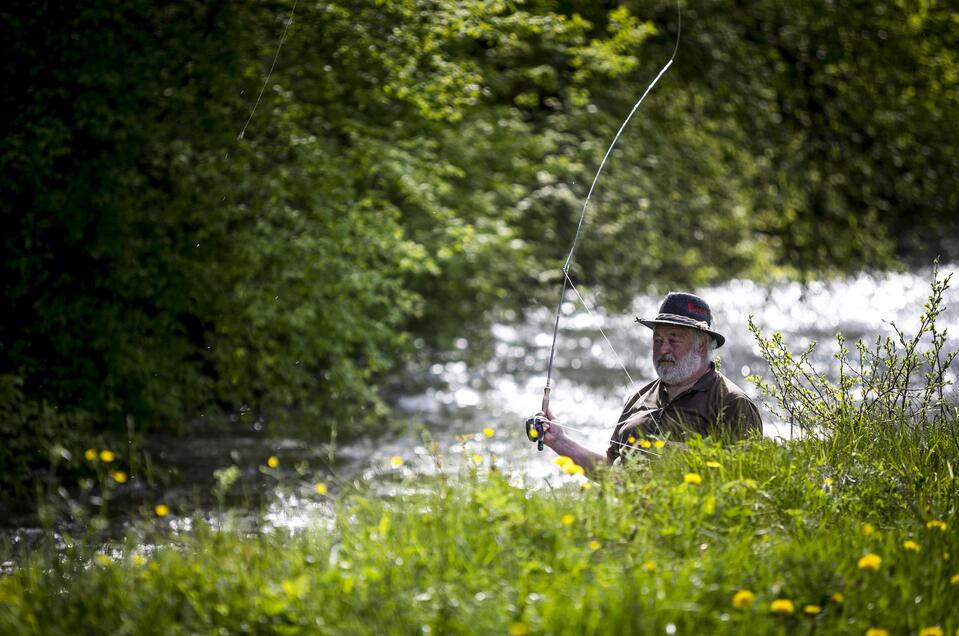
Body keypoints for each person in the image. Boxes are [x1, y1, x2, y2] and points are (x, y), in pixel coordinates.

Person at [538, 292, 762, 473]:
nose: (663, 349)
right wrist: (559, 441)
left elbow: (747, 479)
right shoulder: (638, 399)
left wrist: (678, 455)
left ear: (702, 345)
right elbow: (610, 471)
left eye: (673, 340)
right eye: (658, 340)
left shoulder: (732, 403)